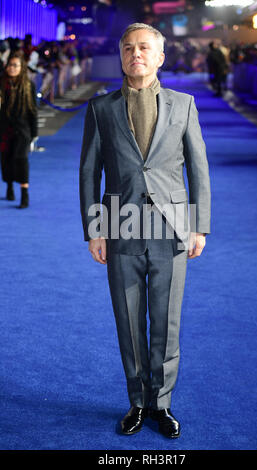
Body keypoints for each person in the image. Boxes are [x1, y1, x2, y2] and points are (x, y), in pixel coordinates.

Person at [79, 23, 211, 439]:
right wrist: (94, 230)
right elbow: (89, 174)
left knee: (167, 321)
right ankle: (137, 401)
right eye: (128, 48)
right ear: (121, 56)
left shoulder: (184, 104)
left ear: (159, 57)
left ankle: (163, 403)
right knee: (128, 320)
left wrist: (199, 227)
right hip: (120, 227)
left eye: (144, 48)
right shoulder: (101, 109)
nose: (136, 53)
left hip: (171, 230)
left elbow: (198, 169)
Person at [0, 52, 38, 208]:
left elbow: (32, 111)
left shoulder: (29, 86)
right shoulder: (1, 83)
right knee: (6, 160)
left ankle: (24, 194)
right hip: (3, 130)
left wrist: (34, 133)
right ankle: (9, 187)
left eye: (15, 65)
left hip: (23, 130)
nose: (11, 68)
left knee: (21, 160)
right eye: (10, 65)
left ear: (22, 67)